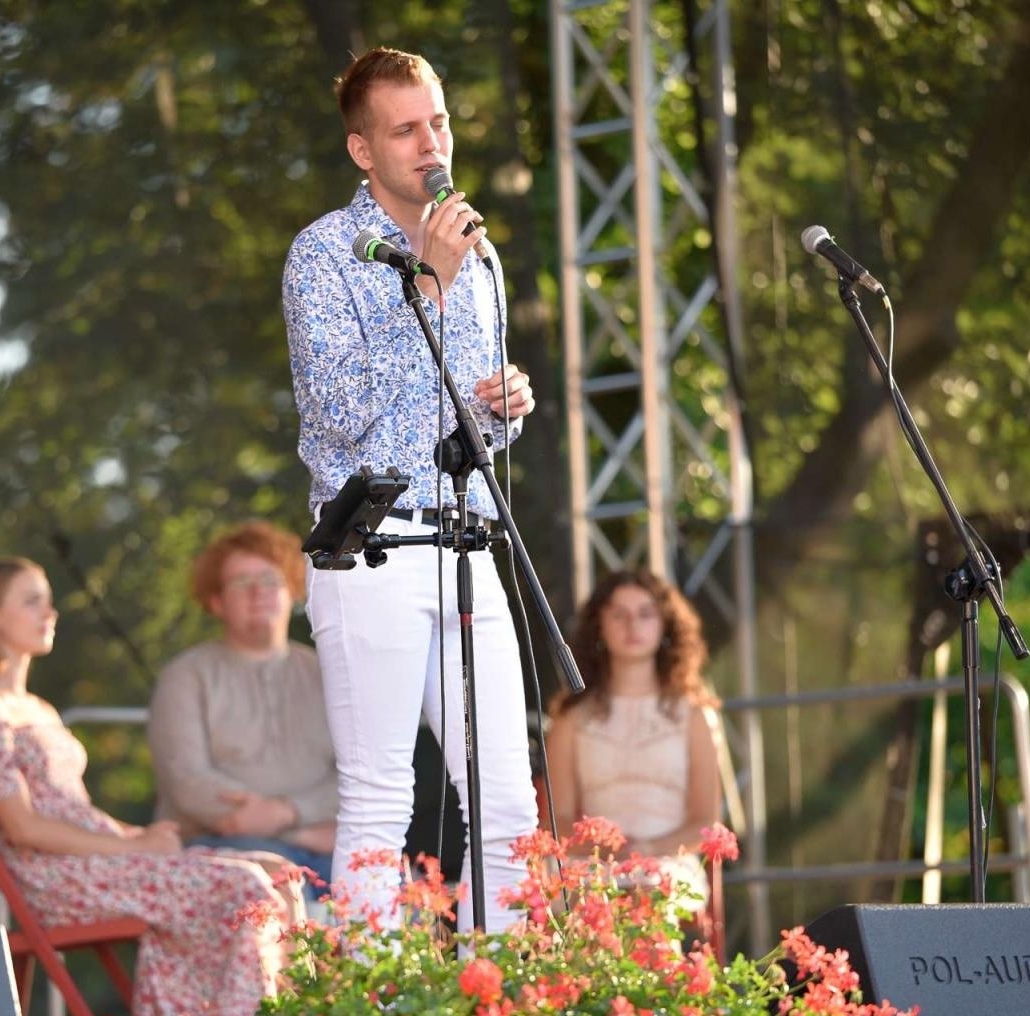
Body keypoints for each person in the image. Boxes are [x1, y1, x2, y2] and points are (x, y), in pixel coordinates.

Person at [282, 46, 538, 933]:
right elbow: (344, 414)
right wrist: (429, 283)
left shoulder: (477, 252)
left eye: (438, 120)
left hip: (465, 538)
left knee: (510, 805)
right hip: (374, 548)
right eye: (407, 129)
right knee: (380, 801)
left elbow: (465, 424)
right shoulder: (323, 254)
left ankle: (507, 1007)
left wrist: (506, 405)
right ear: (365, 151)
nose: (432, 142)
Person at [0, 557, 285, 1016]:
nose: (49, 612)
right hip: (55, 878)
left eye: (48, 600)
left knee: (276, 871)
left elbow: (75, 810)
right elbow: (21, 826)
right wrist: (131, 846)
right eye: (31, 601)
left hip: (99, 862)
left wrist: (138, 836)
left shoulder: (41, 709)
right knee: (244, 886)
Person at [147, 522, 338, 894]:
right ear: (217, 601)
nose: (258, 592)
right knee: (271, 884)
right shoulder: (185, 676)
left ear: (292, 590)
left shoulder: (330, 674)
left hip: (326, 847)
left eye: (270, 579)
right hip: (221, 851)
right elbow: (187, 781)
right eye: (241, 582)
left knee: (389, 882)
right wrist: (299, 830)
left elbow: (356, 774)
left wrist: (288, 811)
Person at [544, 569, 726, 909]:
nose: (633, 626)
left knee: (649, 890)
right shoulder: (570, 720)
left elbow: (706, 822)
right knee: (588, 894)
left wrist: (650, 850)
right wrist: (611, 851)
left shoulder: (694, 715)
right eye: (619, 614)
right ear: (599, 624)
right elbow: (558, 823)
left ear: (666, 625)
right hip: (594, 866)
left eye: (645, 614)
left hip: (670, 864)